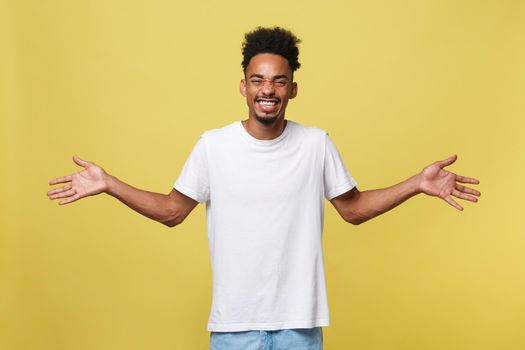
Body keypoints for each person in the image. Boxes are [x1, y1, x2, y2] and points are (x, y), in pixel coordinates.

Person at [47, 27, 481, 350]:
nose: (267, 90)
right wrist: (108, 184)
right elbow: (171, 211)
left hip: (300, 325)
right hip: (234, 328)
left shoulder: (316, 144)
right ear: (244, 87)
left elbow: (353, 208)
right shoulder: (213, 147)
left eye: (277, 81)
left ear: (292, 88)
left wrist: (416, 184)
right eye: (257, 80)